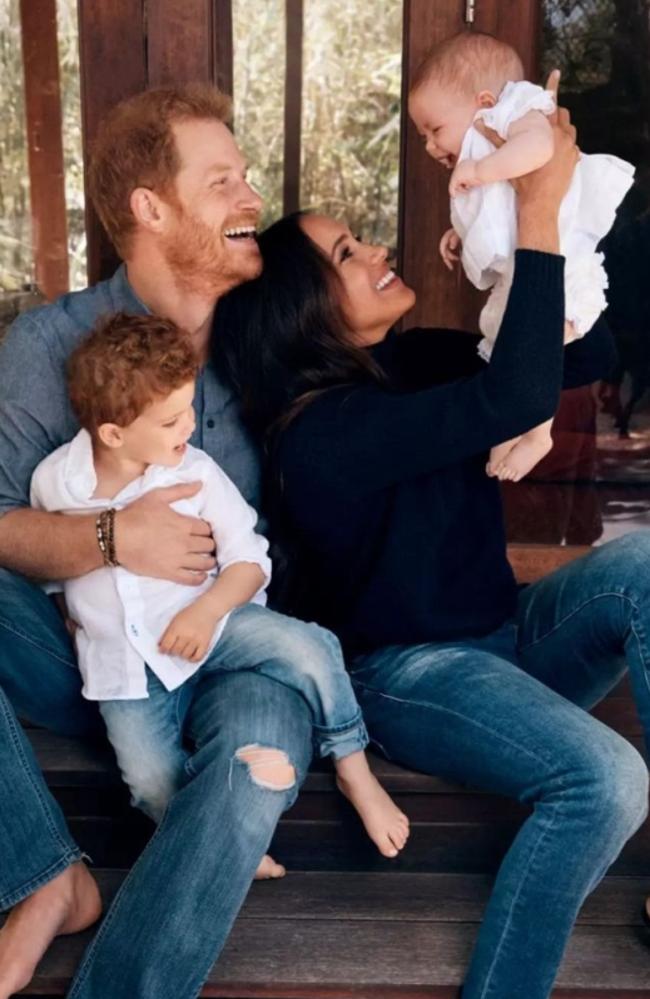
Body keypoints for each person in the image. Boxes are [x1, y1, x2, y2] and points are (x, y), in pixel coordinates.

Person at [212, 96, 650, 999]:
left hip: (506, 637)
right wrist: (531, 203)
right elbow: (510, 401)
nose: (376, 251)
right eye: (347, 253)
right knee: (603, 781)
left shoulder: (416, 363)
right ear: (302, 309)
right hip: (412, 674)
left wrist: (518, 262)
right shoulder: (320, 434)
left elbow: (584, 352)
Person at [0, 83, 350, 999]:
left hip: (239, 652)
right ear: (150, 209)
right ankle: (45, 871)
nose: (250, 201)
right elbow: (0, 525)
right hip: (97, 665)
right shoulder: (48, 346)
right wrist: (116, 537)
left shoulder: (264, 340)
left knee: (249, 772)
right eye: (223, 179)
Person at [30, 311, 408, 856]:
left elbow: (250, 561)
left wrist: (205, 613)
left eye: (189, 408)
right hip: (126, 668)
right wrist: (69, 611)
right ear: (113, 433)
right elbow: (52, 564)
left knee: (311, 648)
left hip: (217, 620)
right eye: (170, 421)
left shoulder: (196, 473)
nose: (188, 427)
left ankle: (353, 766)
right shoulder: (55, 482)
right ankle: (210, 842)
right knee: (147, 779)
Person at [408, 32, 634, 482]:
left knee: (537, 343)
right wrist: (461, 232)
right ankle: (514, 424)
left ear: (485, 101)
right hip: (527, 264)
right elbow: (501, 210)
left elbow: (540, 150)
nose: (432, 147)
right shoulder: (487, 146)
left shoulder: (519, 112)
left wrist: (480, 169)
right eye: (423, 137)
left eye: (435, 130)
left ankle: (538, 432)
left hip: (562, 262)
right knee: (506, 342)